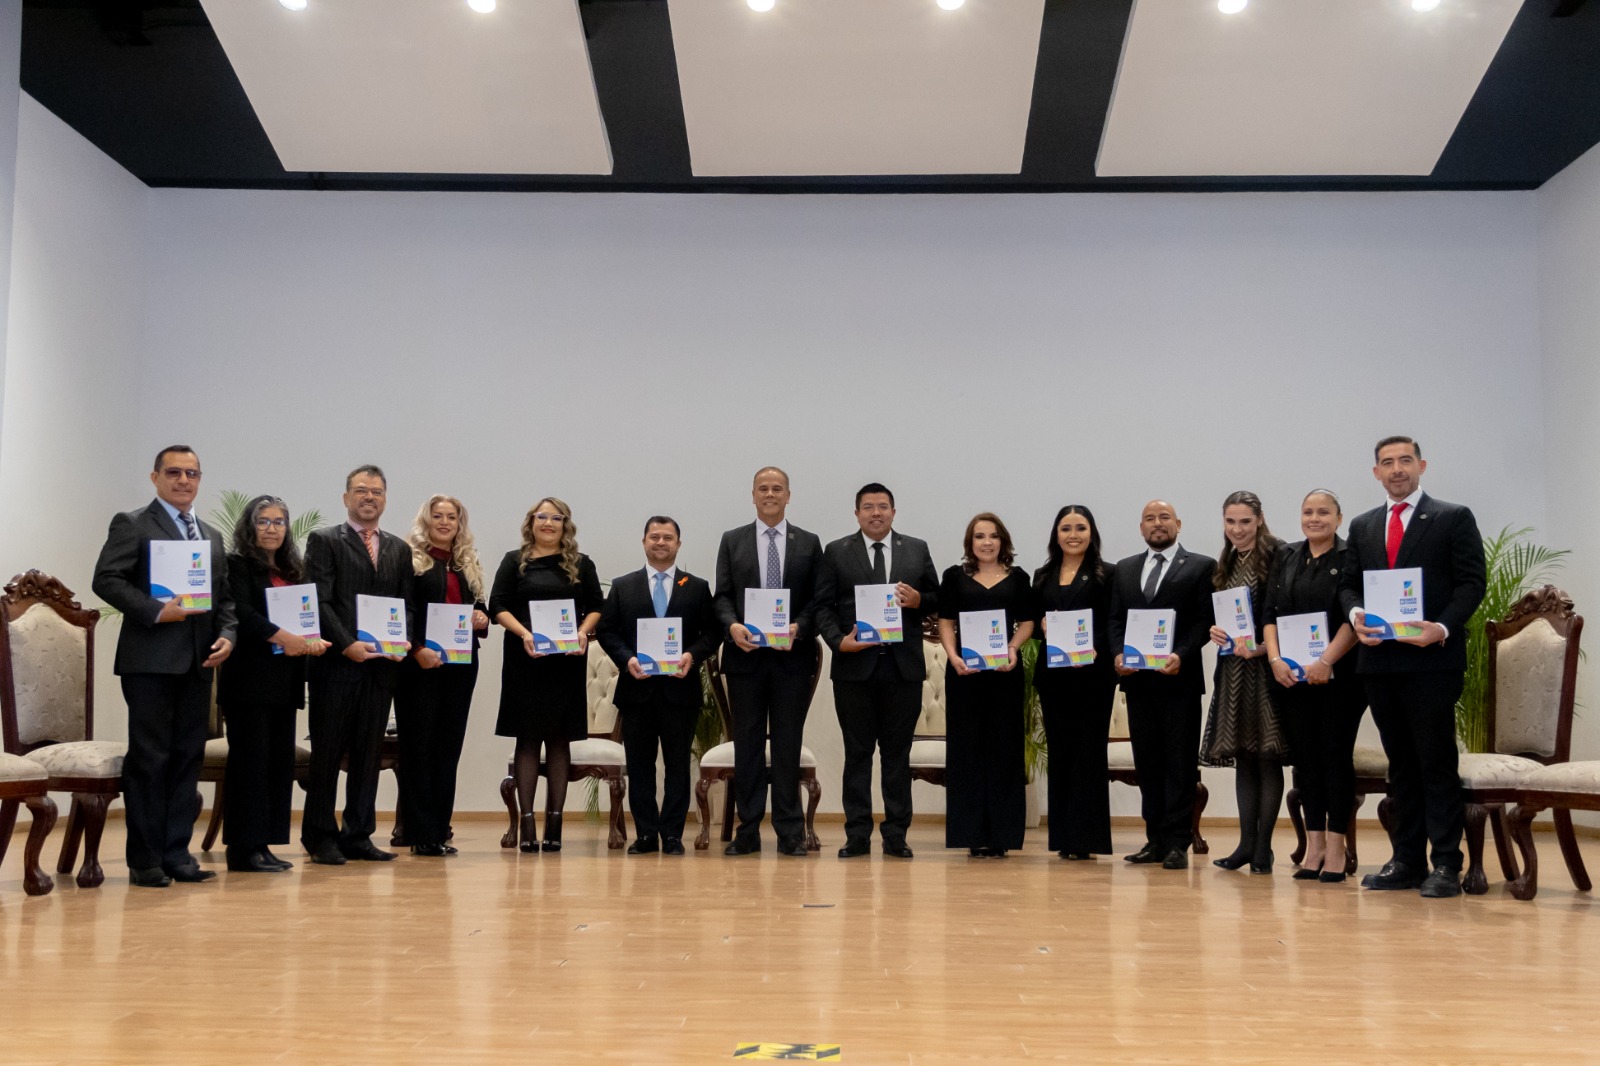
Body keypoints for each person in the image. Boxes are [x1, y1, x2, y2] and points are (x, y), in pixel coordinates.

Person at [1340, 436, 1485, 898]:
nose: (1397, 469)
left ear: (1422, 465)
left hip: (1432, 661)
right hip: (1379, 662)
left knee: (1435, 760)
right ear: (1375, 472)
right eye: (1387, 462)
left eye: (1405, 460)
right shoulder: (1362, 526)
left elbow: (1471, 582)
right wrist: (1356, 615)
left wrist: (1441, 627)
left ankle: (1445, 863)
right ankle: (1406, 860)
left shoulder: (1452, 517)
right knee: (1400, 765)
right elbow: (1348, 586)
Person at [91, 444, 237, 888]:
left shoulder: (210, 535)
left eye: (192, 473)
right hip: (150, 663)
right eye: (173, 472)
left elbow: (225, 598)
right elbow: (106, 579)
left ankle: (178, 854)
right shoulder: (133, 524)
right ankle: (145, 859)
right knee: (151, 759)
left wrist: (228, 636)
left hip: (199, 663)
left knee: (186, 759)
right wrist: (155, 610)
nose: (183, 480)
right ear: (155, 477)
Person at [814, 483, 939, 860]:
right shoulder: (837, 551)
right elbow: (822, 607)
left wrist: (919, 600)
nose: (876, 513)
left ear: (894, 512)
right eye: (868, 507)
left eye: (883, 507)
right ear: (857, 514)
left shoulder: (916, 549)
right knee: (857, 754)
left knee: (896, 755)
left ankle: (897, 834)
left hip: (902, 669)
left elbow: (937, 598)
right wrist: (839, 641)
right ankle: (856, 834)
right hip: (855, 669)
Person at [301, 464, 415, 866]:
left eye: (377, 492)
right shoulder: (325, 540)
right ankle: (319, 837)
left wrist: (404, 643)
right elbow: (320, 600)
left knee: (368, 755)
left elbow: (406, 606)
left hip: (382, 669)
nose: (370, 497)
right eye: (362, 490)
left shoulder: (399, 549)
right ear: (346, 497)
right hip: (337, 666)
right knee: (328, 755)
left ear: (386, 498)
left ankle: (358, 835)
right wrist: (346, 645)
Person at [713, 466, 824, 858]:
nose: (770, 494)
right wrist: (733, 626)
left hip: (791, 659)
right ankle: (748, 830)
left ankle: (790, 831)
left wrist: (799, 627)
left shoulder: (809, 543)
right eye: (764, 488)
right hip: (746, 660)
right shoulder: (733, 541)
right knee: (747, 745)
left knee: (787, 744)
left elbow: (817, 600)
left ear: (789, 495)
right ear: (754, 495)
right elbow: (722, 596)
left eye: (778, 488)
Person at [596, 517, 719, 856]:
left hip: (680, 691)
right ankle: (647, 834)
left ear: (678, 544)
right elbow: (607, 631)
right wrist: (627, 659)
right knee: (640, 766)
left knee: (678, 765)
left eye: (668, 537)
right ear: (644, 541)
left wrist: (692, 656)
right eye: (655, 537)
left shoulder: (695, 586)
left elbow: (711, 633)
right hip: (638, 690)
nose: (661, 542)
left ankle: (674, 834)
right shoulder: (624, 585)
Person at [218, 494, 326, 873]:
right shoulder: (236, 565)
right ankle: (242, 849)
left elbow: (305, 618)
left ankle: (264, 844)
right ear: (250, 526)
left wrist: (311, 640)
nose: (272, 528)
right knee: (250, 764)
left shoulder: (291, 569)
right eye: (264, 521)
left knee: (276, 764)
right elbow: (243, 615)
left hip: (284, 681)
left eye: (279, 522)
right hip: (249, 681)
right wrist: (286, 638)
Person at [490, 498, 604, 854]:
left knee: (558, 740)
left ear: (565, 525)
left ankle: (555, 822)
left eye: (557, 517)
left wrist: (583, 633)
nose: (549, 523)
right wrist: (524, 633)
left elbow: (597, 607)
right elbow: (497, 606)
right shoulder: (514, 561)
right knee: (527, 739)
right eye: (543, 516)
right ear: (532, 522)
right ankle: (527, 824)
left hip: (565, 662)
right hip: (526, 659)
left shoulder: (581, 565)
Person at [1108, 499, 1216, 870]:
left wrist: (1181, 656)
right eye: (1150, 519)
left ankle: (1177, 842)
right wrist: (1118, 655)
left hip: (1179, 682)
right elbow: (1115, 621)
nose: (1157, 524)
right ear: (1141, 528)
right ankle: (1154, 839)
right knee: (1148, 764)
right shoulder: (1124, 569)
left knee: (1178, 764)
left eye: (1164, 517)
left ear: (1178, 524)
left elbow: (1203, 621)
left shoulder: (1201, 566)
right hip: (1138, 684)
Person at [1263, 489, 1363, 884]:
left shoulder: (1349, 556)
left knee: (1333, 757)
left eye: (1324, 512)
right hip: (1292, 678)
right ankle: (1315, 846)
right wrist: (1274, 661)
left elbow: (1353, 615)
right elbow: (1269, 614)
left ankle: (1337, 848)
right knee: (1305, 762)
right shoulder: (1286, 556)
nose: (1315, 518)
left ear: (1339, 518)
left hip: (1340, 677)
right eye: (1308, 512)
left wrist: (1325, 661)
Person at [395, 494, 490, 857]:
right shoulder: (410, 560)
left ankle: (438, 830)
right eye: (438, 516)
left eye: (452, 516)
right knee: (419, 748)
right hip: (419, 665)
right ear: (427, 520)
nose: (445, 522)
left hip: (461, 665)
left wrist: (481, 617)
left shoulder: (465, 562)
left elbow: (478, 607)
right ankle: (419, 833)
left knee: (448, 749)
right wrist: (416, 648)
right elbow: (402, 611)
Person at [937, 513, 1035, 857]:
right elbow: (945, 622)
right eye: (980, 536)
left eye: (993, 536)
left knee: (1004, 752)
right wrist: (953, 656)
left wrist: (1012, 647)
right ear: (971, 543)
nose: (987, 542)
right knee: (967, 753)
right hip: (966, 674)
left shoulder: (1018, 578)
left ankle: (1002, 837)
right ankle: (972, 834)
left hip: (1004, 674)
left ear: (1003, 541)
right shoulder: (954, 577)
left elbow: (1027, 623)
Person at [1200, 491, 1287, 874]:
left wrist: (1263, 648)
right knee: (1243, 758)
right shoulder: (1226, 560)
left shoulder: (1279, 554)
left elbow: (1285, 611)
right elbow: (1219, 613)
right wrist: (1216, 632)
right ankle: (1245, 845)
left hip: (1266, 668)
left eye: (1245, 522)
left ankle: (1264, 848)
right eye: (1230, 522)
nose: (1237, 529)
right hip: (1233, 670)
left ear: (1260, 519)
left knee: (1267, 756)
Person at [1031, 505, 1117, 860]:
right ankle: (1064, 837)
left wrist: (1094, 643)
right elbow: (1031, 620)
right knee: (1062, 754)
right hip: (1055, 676)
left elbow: (1114, 619)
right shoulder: (1042, 574)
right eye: (1065, 528)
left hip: (1093, 676)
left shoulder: (1107, 574)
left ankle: (1089, 838)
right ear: (1056, 534)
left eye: (1080, 527)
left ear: (1092, 533)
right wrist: (1042, 626)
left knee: (1089, 753)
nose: (1073, 534)